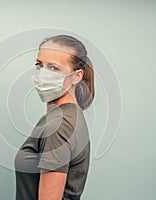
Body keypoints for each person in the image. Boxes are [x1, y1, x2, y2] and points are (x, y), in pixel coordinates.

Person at [14, 34, 95, 200]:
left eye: (54, 68)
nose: (43, 74)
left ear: (76, 76)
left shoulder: (59, 125)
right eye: (39, 65)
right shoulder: (65, 116)